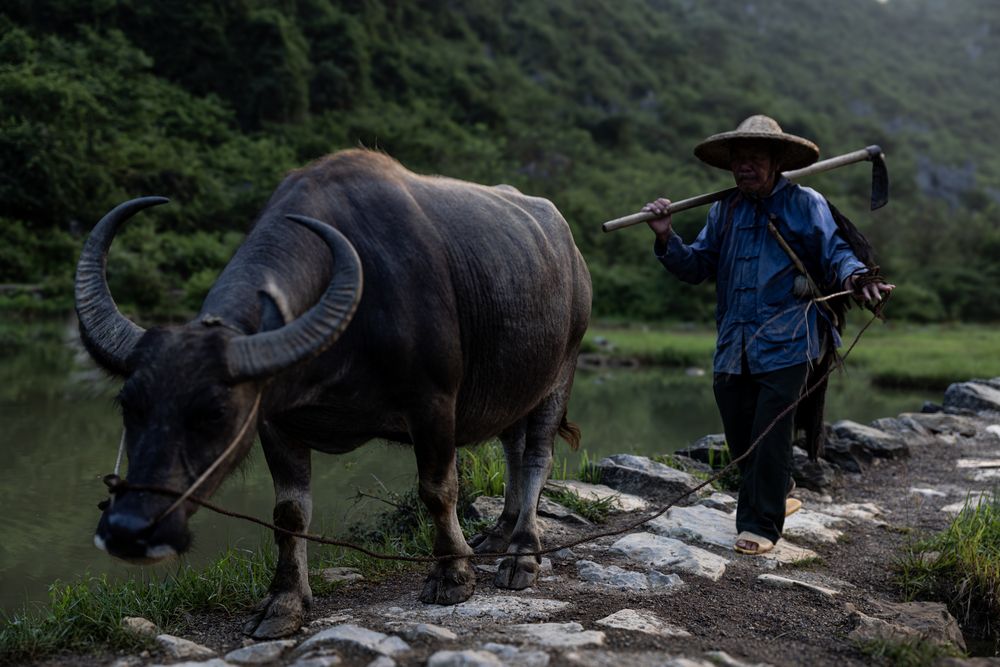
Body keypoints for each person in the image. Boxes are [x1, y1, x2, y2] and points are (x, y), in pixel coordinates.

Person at [643, 115, 894, 555]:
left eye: (755, 159)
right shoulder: (725, 210)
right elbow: (698, 265)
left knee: (770, 434)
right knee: (741, 439)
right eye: (739, 160)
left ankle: (759, 527)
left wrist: (858, 279)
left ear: (776, 162)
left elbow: (835, 251)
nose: (745, 168)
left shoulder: (804, 203)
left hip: (789, 338)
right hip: (733, 345)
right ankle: (781, 485)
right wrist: (666, 237)